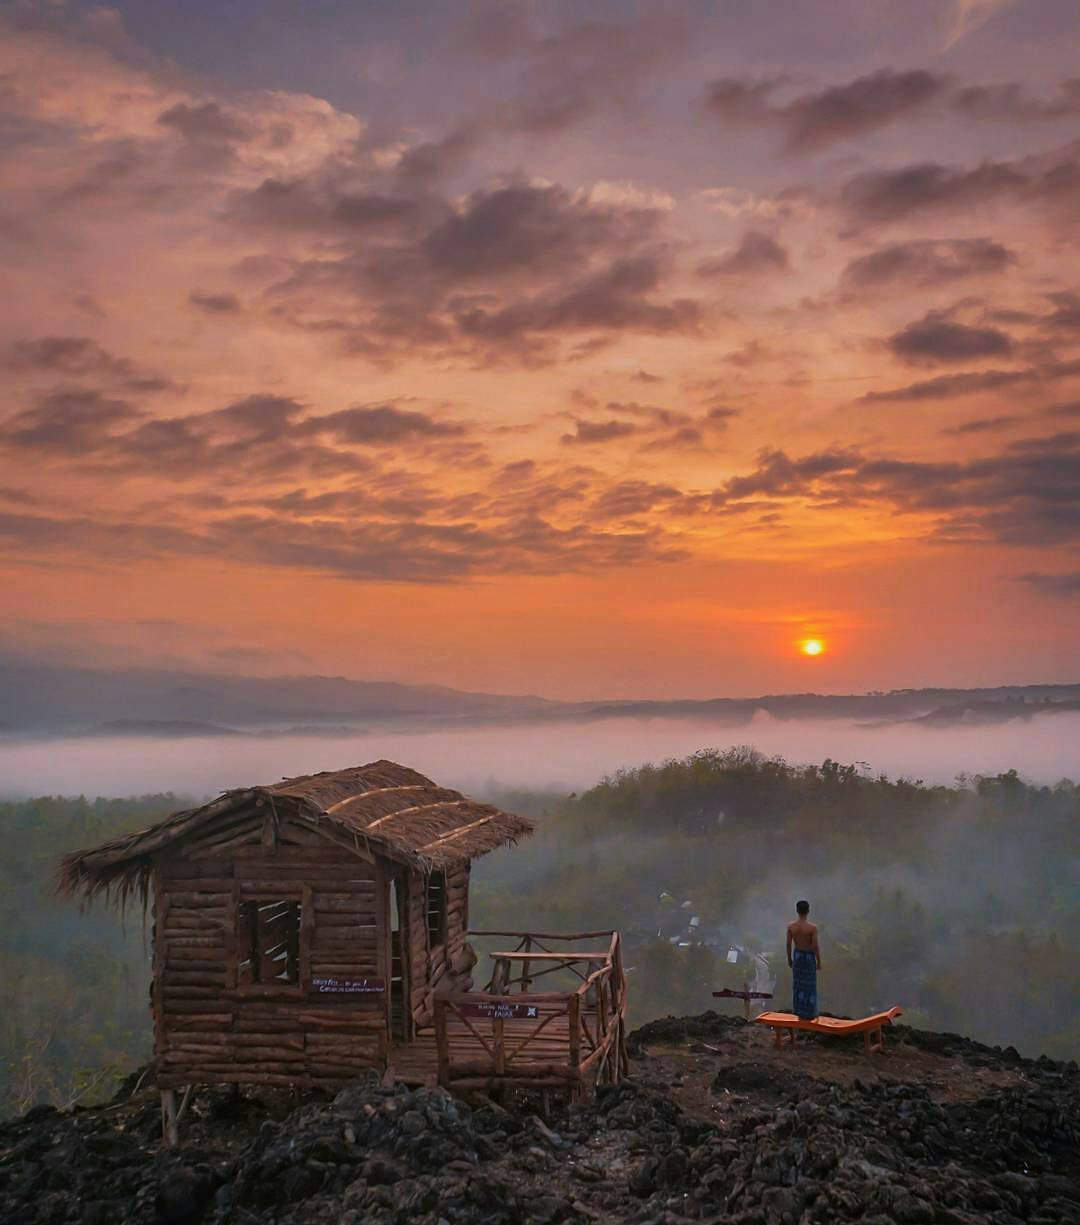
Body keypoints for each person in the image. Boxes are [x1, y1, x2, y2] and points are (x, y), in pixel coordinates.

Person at [787, 900, 821, 1020]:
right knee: (810, 985)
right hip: (808, 957)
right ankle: (810, 1012)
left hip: (797, 956)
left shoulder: (791, 926)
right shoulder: (812, 928)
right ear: (808, 911)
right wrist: (818, 961)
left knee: (798, 985)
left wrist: (789, 959)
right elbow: (815, 946)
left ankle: (798, 1011)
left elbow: (788, 944)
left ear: (797, 911)